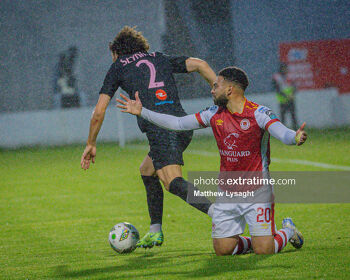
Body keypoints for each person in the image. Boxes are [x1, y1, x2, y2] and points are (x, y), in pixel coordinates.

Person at [117, 66, 307, 255]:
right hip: (227, 191)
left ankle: (287, 229)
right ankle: (257, 241)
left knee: (264, 250)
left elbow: (282, 133)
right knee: (223, 250)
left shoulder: (258, 113)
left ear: (229, 90)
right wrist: (143, 112)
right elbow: (178, 123)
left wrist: (294, 137)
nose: (212, 89)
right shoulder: (214, 113)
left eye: (216, 85)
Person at [80, 26, 216, 248]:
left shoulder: (118, 66)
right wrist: (216, 93)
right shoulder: (158, 57)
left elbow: (98, 112)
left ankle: (218, 214)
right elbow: (201, 65)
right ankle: (155, 230)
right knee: (147, 170)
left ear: (116, 52)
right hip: (181, 124)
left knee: (172, 181)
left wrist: (91, 143)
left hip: (161, 129)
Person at [272, 62, 298, 130]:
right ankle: (283, 131)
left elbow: (294, 86)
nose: (286, 70)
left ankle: (295, 130)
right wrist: (286, 96)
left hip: (290, 99)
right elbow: (276, 89)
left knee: (293, 116)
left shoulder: (290, 76)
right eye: (284, 68)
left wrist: (293, 93)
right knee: (283, 117)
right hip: (282, 100)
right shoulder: (276, 77)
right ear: (281, 69)